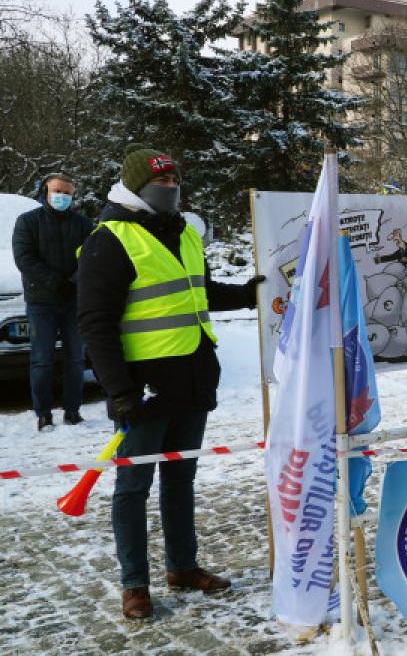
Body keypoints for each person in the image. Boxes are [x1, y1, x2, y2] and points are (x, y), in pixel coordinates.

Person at [76, 144, 264, 619]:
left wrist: (248, 294)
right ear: (137, 187)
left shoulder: (184, 232)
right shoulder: (109, 238)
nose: (171, 189)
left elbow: (197, 292)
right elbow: (95, 324)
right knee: (133, 486)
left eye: (175, 181)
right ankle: (134, 585)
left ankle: (183, 567)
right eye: (162, 182)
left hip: (193, 379)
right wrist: (118, 391)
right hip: (143, 389)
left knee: (181, 479)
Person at [12, 173, 92, 430]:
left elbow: (93, 255)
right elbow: (24, 259)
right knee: (41, 359)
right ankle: (43, 413)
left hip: (74, 301)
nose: (62, 197)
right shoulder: (27, 221)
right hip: (41, 302)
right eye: (58, 191)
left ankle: (73, 410)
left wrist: (75, 281)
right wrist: (54, 282)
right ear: (45, 192)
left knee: (75, 359)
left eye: (67, 193)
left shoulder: (82, 224)